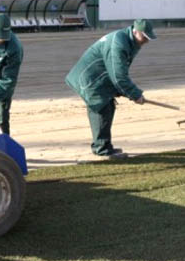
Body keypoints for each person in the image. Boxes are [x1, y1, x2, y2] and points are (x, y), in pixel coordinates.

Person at [65, 19, 156, 158]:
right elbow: (119, 76)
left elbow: (119, 73)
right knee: (102, 107)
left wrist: (128, 92)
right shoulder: (119, 43)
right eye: (145, 37)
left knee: (108, 106)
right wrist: (135, 94)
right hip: (89, 80)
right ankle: (101, 150)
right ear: (136, 31)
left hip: (99, 78)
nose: (146, 41)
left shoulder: (128, 40)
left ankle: (105, 146)